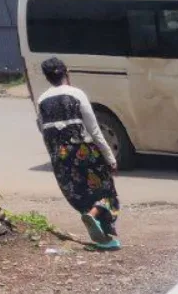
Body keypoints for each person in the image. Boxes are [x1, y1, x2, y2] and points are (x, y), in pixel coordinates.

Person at [35, 57, 121, 249]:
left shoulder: (42, 100)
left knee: (79, 193)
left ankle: (101, 235)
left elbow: (43, 130)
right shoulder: (76, 94)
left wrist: (55, 157)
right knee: (106, 190)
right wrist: (110, 158)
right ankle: (95, 218)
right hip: (83, 150)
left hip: (60, 156)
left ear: (47, 78)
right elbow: (94, 130)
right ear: (67, 73)